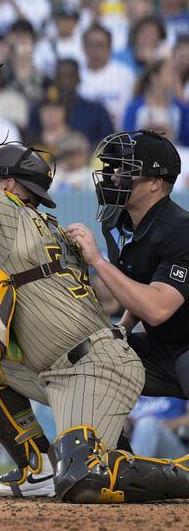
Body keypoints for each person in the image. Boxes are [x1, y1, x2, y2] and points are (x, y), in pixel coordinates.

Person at [0, 59, 189, 503]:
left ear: (12, 185)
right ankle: (37, 468)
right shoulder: (43, 224)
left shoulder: (8, 212)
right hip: (58, 364)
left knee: (82, 479)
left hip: (92, 367)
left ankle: (173, 473)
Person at [65, 131, 189, 404]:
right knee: (83, 358)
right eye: (116, 168)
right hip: (160, 347)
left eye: (126, 170)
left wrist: (98, 261)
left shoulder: (181, 231)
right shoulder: (117, 221)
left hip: (185, 348)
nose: (115, 176)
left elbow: (157, 309)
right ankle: (103, 446)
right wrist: (123, 327)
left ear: (155, 182)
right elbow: (138, 283)